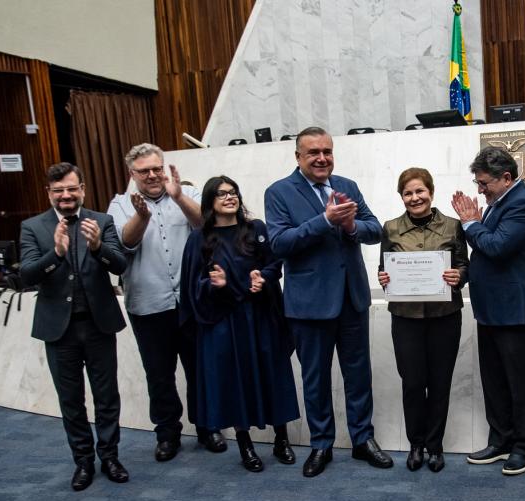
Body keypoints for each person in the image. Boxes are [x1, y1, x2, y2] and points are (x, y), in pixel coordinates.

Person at [264, 126, 393, 477]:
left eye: (327, 151)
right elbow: (279, 243)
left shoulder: (347, 186)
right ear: (298, 157)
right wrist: (324, 221)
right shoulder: (278, 192)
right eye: (313, 153)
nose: (322, 158)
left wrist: (351, 226)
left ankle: (363, 439)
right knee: (316, 378)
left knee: (358, 375)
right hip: (309, 304)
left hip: (352, 299)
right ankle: (321, 444)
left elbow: (375, 228)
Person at [107, 143, 227, 462]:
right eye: (144, 171)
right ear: (132, 174)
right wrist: (142, 216)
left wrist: (177, 196)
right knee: (159, 374)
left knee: (200, 368)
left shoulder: (186, 194)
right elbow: (125, 242)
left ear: (165, 168)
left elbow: (205, 225)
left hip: (190, 303)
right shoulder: (119, 205)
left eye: (156, 168)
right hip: (148, 306)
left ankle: (207, 427)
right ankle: (167, 433)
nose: (152, 175)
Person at [19, 163, 129, 491]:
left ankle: (109, 455)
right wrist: (55, 253)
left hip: (98, 326)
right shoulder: (32, 227)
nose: (66, 195)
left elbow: (120, 264)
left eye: (71, 189)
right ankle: (83, 461)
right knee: (71, 399)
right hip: (59, 330)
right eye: (58, 191)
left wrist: (98, 248)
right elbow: (27, 274)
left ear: (82, 189)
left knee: (107, 396)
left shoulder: (103, 221)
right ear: (49, 193)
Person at [180, 176, 300, 472]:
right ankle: (245, 444)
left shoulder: (256, 229)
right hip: (225, 323)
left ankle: (281, 439)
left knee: (272, 375)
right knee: (237, 381)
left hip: (261, 317)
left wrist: (265, 277)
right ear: (210, 202)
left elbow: (275, 262)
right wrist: (213, 284)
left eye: (233, 192)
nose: (229, 198)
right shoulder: (199, 238)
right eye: (221, 194)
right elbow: (191, 286)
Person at [451, 146, 525, 476]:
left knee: (520, 383)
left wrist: (470, 223)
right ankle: (501, 439)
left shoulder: (523, 204)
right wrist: (476, 223)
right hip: (491, 310)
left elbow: (496, 247)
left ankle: (523, 447)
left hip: (516, 311)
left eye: (484, 183)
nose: (479, 189)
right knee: (495, 381)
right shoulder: (498, 203)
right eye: (477, 182)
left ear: (507, 178)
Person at [378, 168, 469, 473]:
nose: (414, 198)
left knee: (440, 383)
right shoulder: (390, 229)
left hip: (445, 317)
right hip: (406, 319)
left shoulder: (454, 226)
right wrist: (384, 277)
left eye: (420, 191)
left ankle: (435, 446)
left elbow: (464, 267)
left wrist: (459, 276)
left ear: (431, 192)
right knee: (413, 383)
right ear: (401, 196)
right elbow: (384, 271)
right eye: (408, 193)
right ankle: (416, 444)